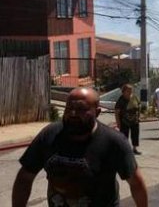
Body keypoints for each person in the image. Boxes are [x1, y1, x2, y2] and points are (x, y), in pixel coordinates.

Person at [12, 87, 148, 207]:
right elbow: (25, 178)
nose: (73, 114)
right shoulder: (49, 135)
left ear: (97, 112)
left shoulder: (113, 142)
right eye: (69, 108)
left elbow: (136, 183)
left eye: (81, 109)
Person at [115, 84, 142, 155]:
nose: (130, 92)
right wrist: (118, 123)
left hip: (134, 120)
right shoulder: (121, 100)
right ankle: (125, 150)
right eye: (128, 90)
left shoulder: (134, 97)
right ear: (123, 91)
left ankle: (134, 149)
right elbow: (117, 112)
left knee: (135, 135)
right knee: (124, 136)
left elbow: (139, 106)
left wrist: (139, 116)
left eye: (131, 90)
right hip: (124, 121)